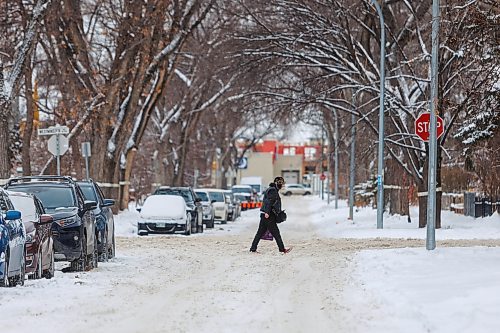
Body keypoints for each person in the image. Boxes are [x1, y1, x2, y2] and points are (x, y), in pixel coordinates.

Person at [250, 176, 291, 253]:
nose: (282, 185)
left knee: (260, 233)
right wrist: (267, 212)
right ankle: (282, 249)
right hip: (268, 215)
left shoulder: (273, 190)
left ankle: (253, 248)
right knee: (276, 233)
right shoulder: (272, 190)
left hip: (266, 215)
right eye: (280, 184)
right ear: (277, 183)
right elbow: (269, 202)